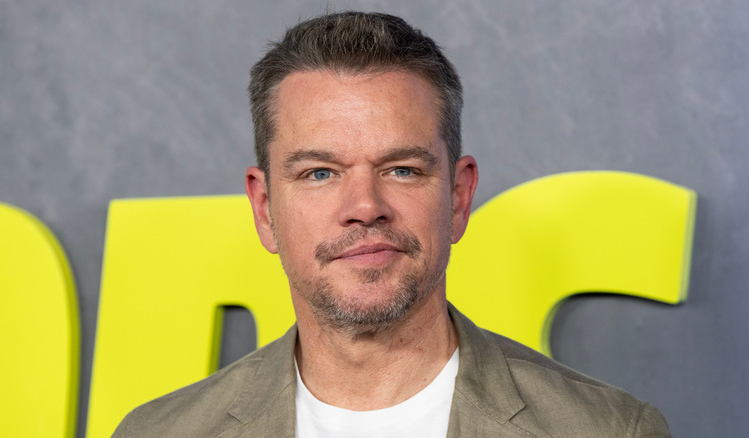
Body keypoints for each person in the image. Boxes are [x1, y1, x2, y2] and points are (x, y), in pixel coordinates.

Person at [112, 11, 671, 437]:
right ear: (264, 209)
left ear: (458, 196)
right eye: (319, 173)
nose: (365, 205)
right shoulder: (157, 433)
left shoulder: (609, 430)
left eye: (402, 169)